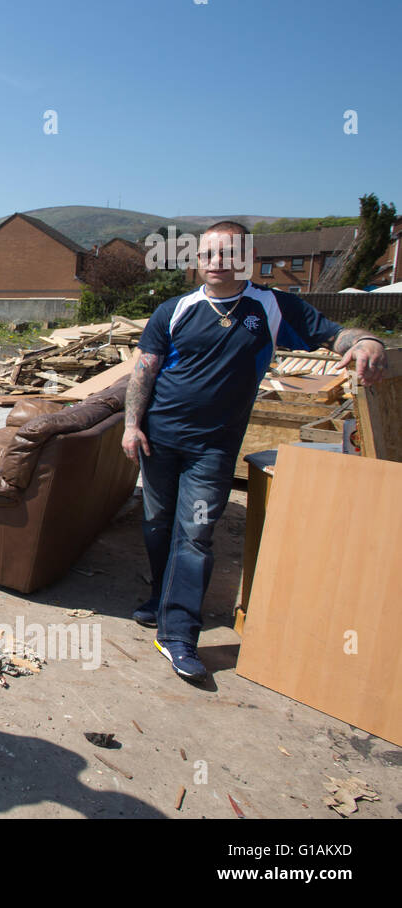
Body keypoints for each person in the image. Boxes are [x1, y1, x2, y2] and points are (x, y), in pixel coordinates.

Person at [123, 220, 388, 682]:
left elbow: (334, 334)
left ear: (246, 258)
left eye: (227, 254)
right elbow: (144, 372)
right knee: (157, 525)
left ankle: (178, 634)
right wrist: (131, 425)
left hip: (213, 447)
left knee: (196, 533)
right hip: (159, 438)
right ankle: (161, 600)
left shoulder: (272, 306)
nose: (216, 263)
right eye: (207, 255)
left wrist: (366, 341)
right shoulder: (174, 309)